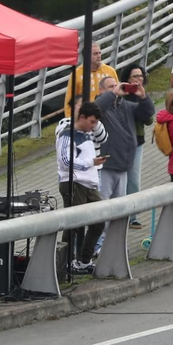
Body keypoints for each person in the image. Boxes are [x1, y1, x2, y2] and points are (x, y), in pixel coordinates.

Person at [57, 100, 106, 273]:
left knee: (99, 220)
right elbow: (65, 161)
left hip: (88, 185)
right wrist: (90, 163)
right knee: (74, 225)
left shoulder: (86, 135)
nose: (93, 126)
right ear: (82, 117)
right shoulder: (67, 134)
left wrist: (92, 164)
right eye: (92, 122)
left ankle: (83, 260)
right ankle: (66, 262)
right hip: (73, 183)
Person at [94, 73, 154, 203]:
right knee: (103, 206)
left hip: (123, 166)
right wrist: (113, 94)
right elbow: (96, 109)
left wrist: (143, 97)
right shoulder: (99, 105)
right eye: (111, 87)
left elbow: (147, 114)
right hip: (106, 166)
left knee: (120, 206)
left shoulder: (126, 105)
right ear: (101, 90)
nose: (116, 88)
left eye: (116, 85)